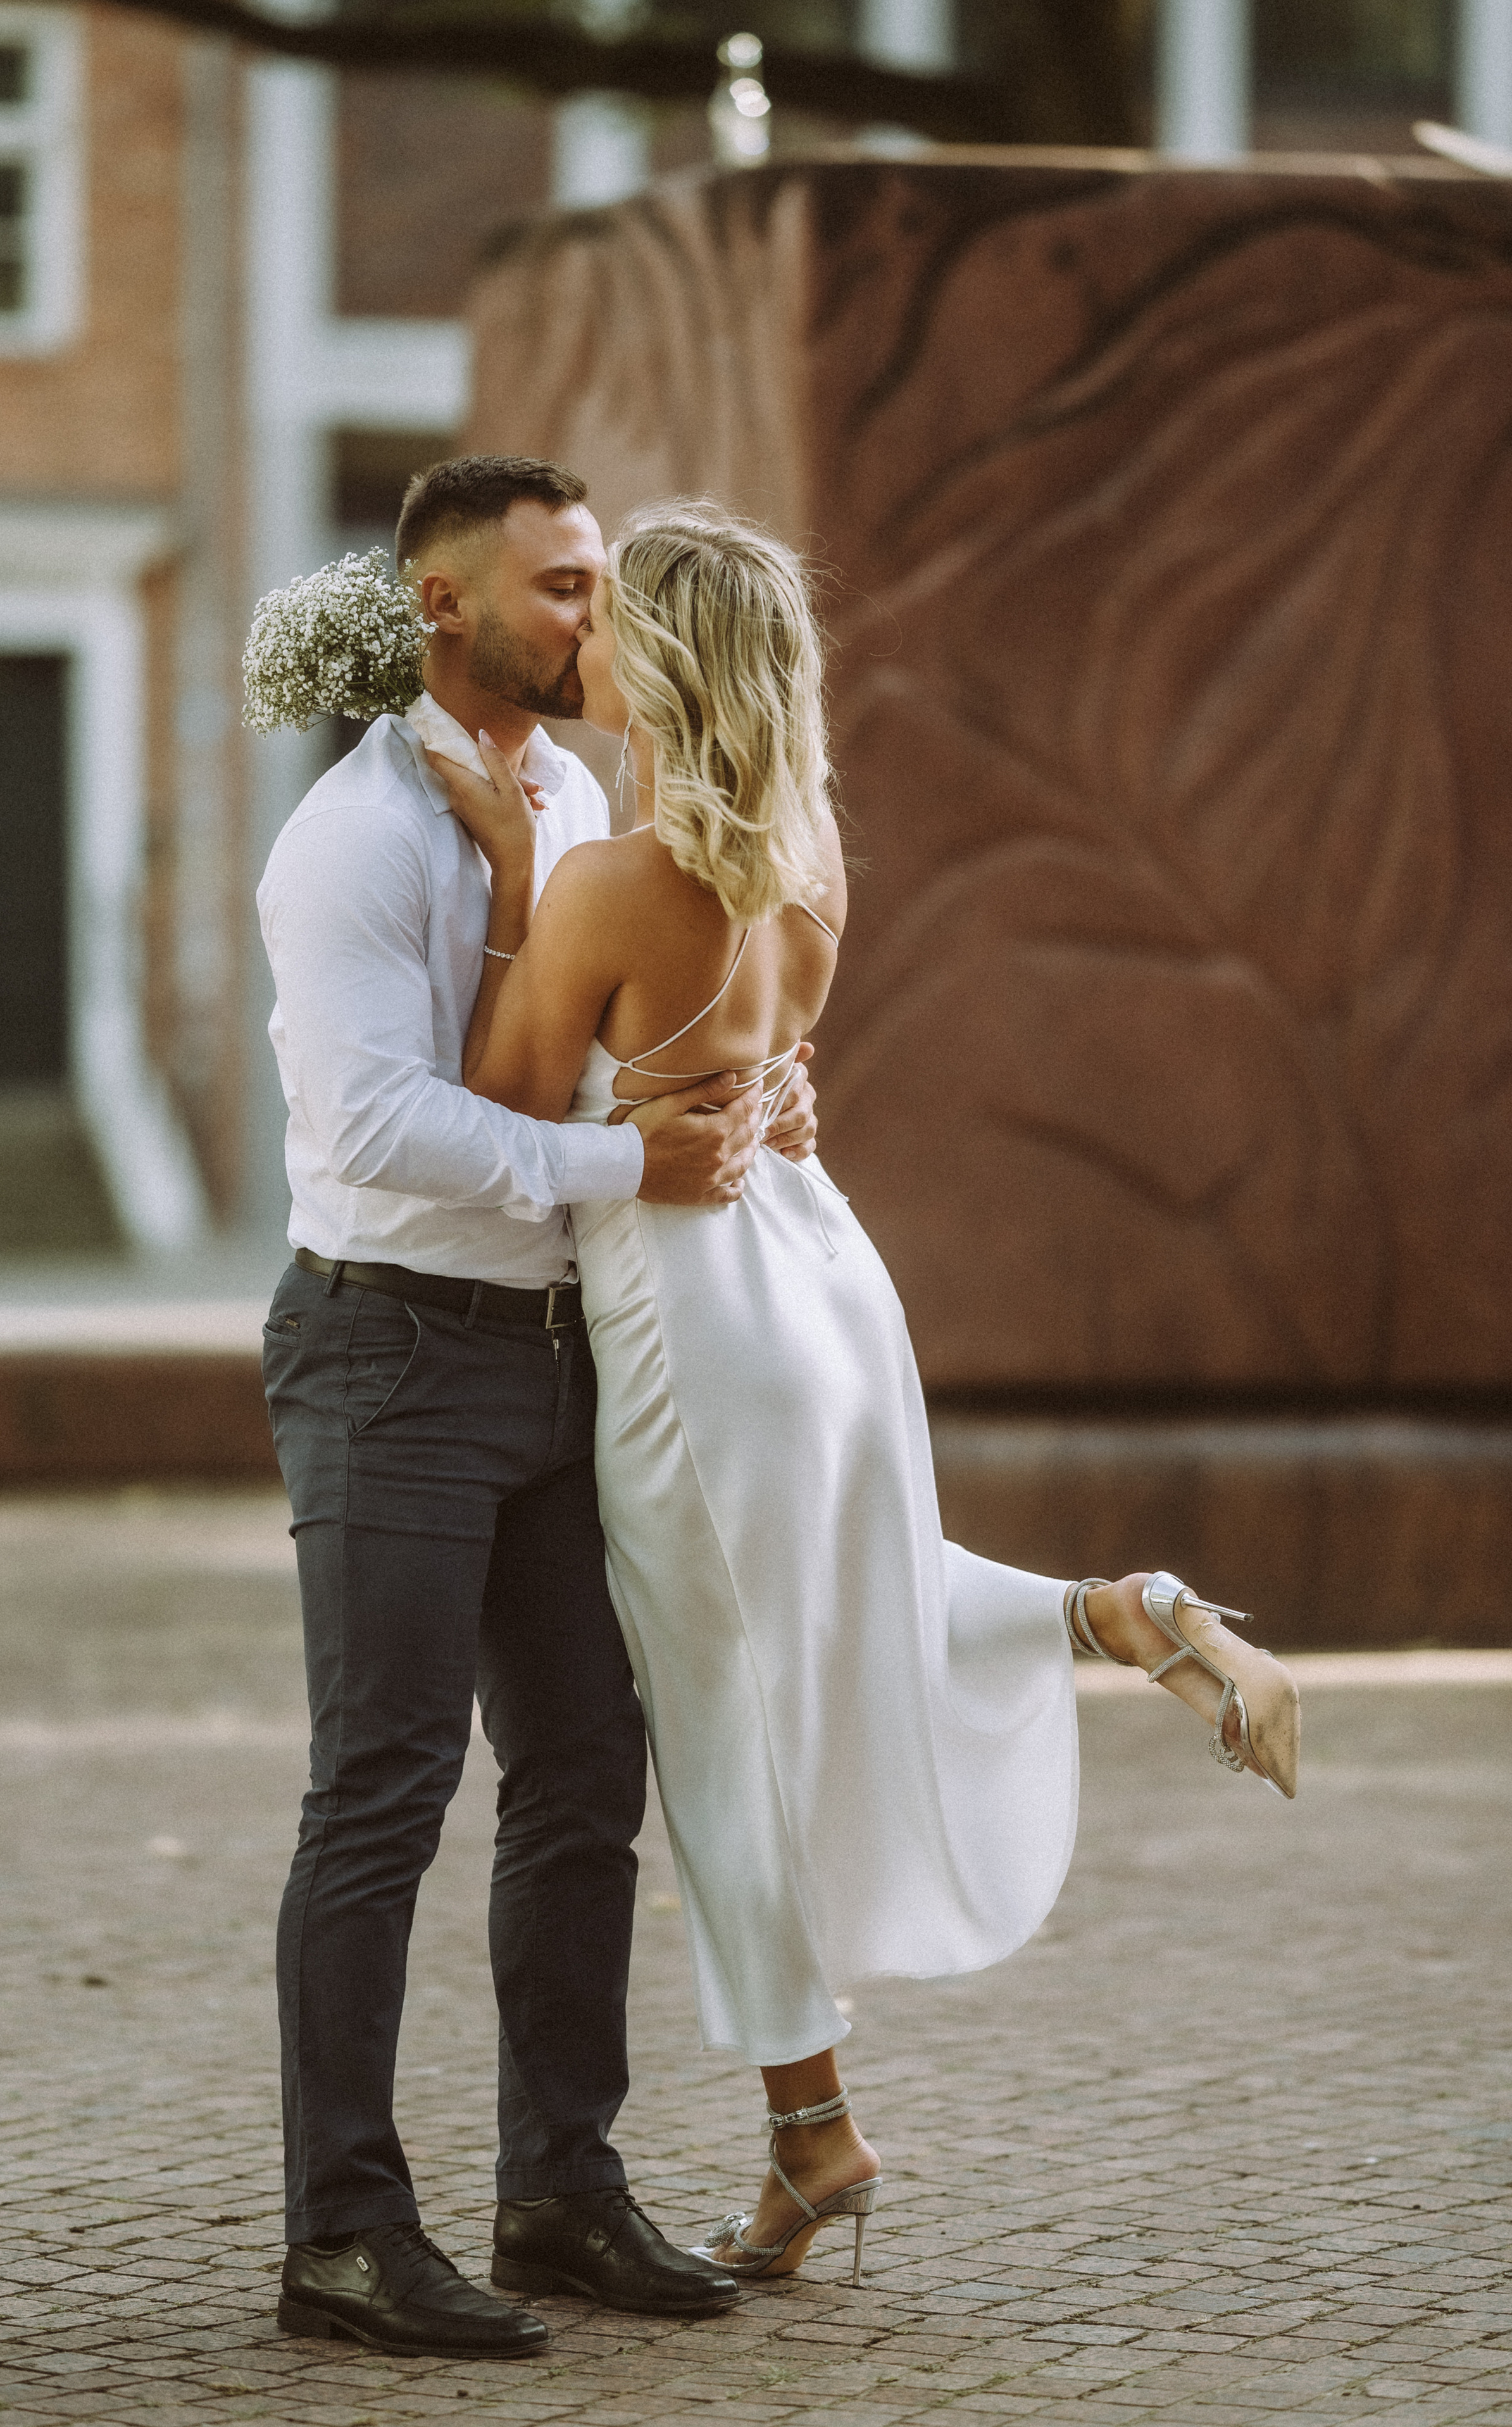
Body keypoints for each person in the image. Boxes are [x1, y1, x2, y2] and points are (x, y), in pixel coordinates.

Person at [436, 499, 1303, 2292]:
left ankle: (812, 2130)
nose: (579, 634)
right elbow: (765, 1071)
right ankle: (1119, 1609)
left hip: (695, 1313)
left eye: (608, 614)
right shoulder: (805, 866)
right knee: (864, 1599)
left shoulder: (610, 879)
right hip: (821, 1274)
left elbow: (493, 1102)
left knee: (725, 1725)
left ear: (661, 656)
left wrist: (513, 883)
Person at [256, 457, 822, 2361]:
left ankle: (560, 2187)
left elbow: (622, 1045)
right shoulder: (347, 837)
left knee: (586, 1775)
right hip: (390, 1352)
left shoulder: (576, 798)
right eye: (565, 589)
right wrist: (622, 1167)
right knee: (384, 1792)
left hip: (560, 1358)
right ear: (442, 604)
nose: (597, 620)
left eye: (602, 586)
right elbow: (379, 1125)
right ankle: (340, 2231)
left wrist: (745, 1116)